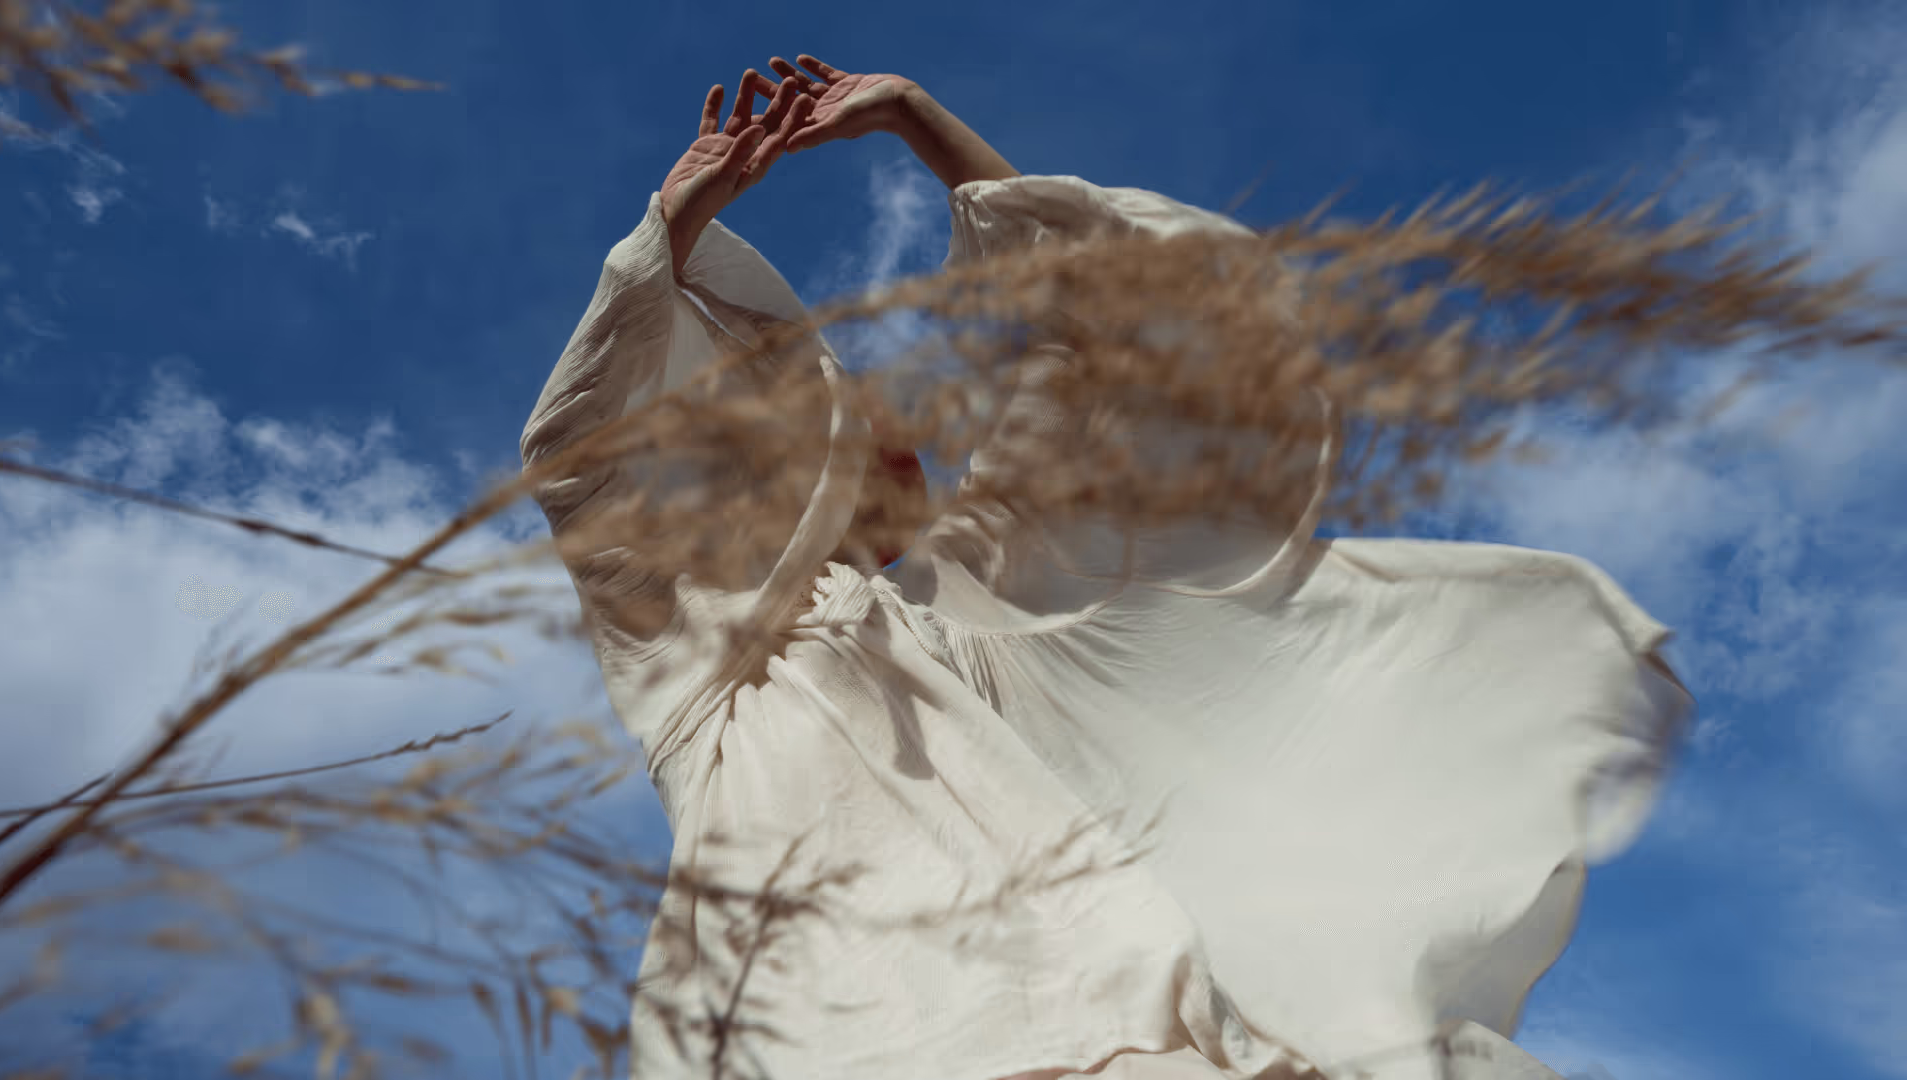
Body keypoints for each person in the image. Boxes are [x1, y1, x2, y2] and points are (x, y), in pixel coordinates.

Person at [520, 55, 1693, 1080]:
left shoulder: (977, 589)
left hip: (1088, 1006)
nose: (878, 448)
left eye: (886, 439)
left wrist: (918, 121)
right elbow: (575, 461)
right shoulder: (699, 649)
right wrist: (669, 230)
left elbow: (1129, 330)